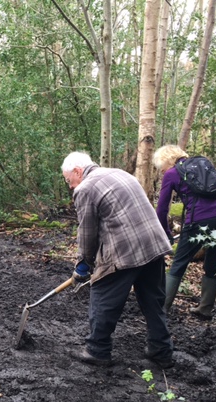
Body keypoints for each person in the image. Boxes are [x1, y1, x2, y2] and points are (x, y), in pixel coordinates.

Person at [62, 151, 174, 368]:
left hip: (125, 249)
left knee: (102, 295)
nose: (70, 186)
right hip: (154, 244)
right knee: (153, 301)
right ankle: (161, 351)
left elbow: (87, 232)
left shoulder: (85, 188)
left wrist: (83, 264)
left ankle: (97, 349)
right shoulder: (120, 173)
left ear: (77, 171)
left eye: (69, 180)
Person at [153, 145, 216, 319]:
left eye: (161, 167)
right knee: (214, 264)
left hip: (198, 221)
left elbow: (161, 209)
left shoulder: (172, 173)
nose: (162, 171)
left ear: (167, 160)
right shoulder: (204, 165)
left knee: (179, 264)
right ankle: (205, 309)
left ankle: (161, 311)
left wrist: (166, 233)